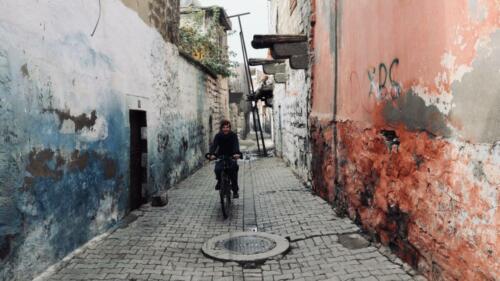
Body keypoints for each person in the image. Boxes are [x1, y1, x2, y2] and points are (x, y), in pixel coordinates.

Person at [209, 120, 242, 198]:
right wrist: (212, 154)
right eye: (224, 127)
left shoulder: (233, 135)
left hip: (231, 156)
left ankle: (235, 190)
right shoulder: (218, 136)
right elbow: (214, 145)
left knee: (233, 170)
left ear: (229, 128)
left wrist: (236, 153)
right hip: (221, 156)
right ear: (221, 128)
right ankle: (220, 181)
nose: (225, 129)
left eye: (227, 127)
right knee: (217, 169)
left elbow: (236, 145)